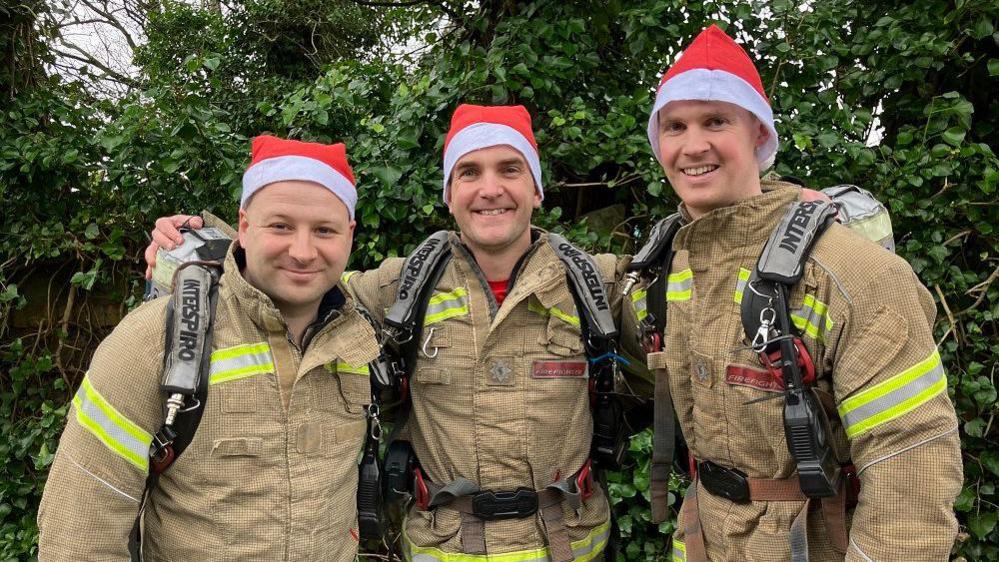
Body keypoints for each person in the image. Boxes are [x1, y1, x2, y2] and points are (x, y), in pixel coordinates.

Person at [146, 104, 644, 561]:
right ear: (450, 194)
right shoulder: (401, 286)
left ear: (536, 188)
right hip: (442, 549)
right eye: (468, 172)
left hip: (571, 547)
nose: (489, 188)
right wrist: (195, 246)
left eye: (509, 169)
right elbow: (298, 274)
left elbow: (687, 320)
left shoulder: (598, 285)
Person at [634, 24, 962, 561]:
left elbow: (912, 463)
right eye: (674, 126)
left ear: (758, 135)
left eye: (716, 120)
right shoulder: (672, 266)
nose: (693, 145)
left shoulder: (853, 275)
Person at [38, 136, 382, 561]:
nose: (302, 251)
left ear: (349, 235)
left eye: (324, 230)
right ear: (244, 225)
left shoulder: (364, 335)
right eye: (280, 226)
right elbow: (78, 537)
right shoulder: (152, 339)